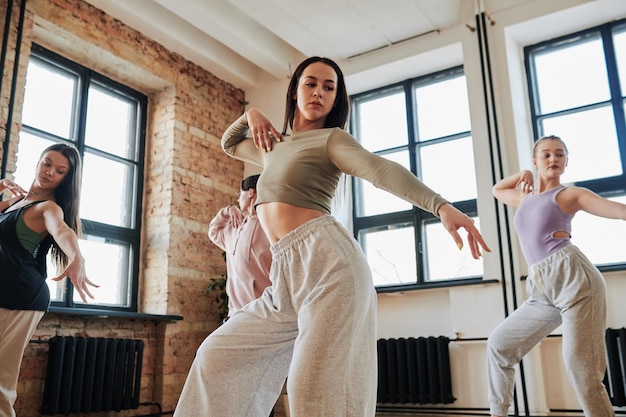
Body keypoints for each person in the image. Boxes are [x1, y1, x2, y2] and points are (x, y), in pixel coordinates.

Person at [173, 56, 490, 417]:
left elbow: (379, 169)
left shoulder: (331, 140)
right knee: (217, 356)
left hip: (329, 265)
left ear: (336, 98)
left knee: (310, 392)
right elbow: (229, 144)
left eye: (329, 87)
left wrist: (441, 206)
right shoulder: (272, 145)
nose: (319, 92)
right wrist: (252, 115)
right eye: (310, 83)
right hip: (285, 274)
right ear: (294, 91)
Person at [488, 135, 621, 417]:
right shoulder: (525, 197)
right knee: (499, 345)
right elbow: (497, 189)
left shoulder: (569, 195)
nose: (553, 159)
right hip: (541, 288)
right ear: (535, 162)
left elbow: (619, 211)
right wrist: (521, 174)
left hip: (575, 280)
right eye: (546, 155)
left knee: (580, 369)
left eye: (559, 154)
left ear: (566, 161)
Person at [0, 143, 97, 417]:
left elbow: (62, 230)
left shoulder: (49, 208)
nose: (49, 172)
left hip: (19, 297)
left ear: (66, 179)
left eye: (60, 170)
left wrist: (76, 256)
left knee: (0, 384)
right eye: (47, 163)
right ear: (38, 162)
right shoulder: (16, 202)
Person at [208, 173, 272, 315]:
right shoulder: (234, 227)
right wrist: (227, 210)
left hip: (263, 313)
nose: (237, 198)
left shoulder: (270, 227)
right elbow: (213, 231)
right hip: (234, 314)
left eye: (239, 193)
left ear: (250, 193)